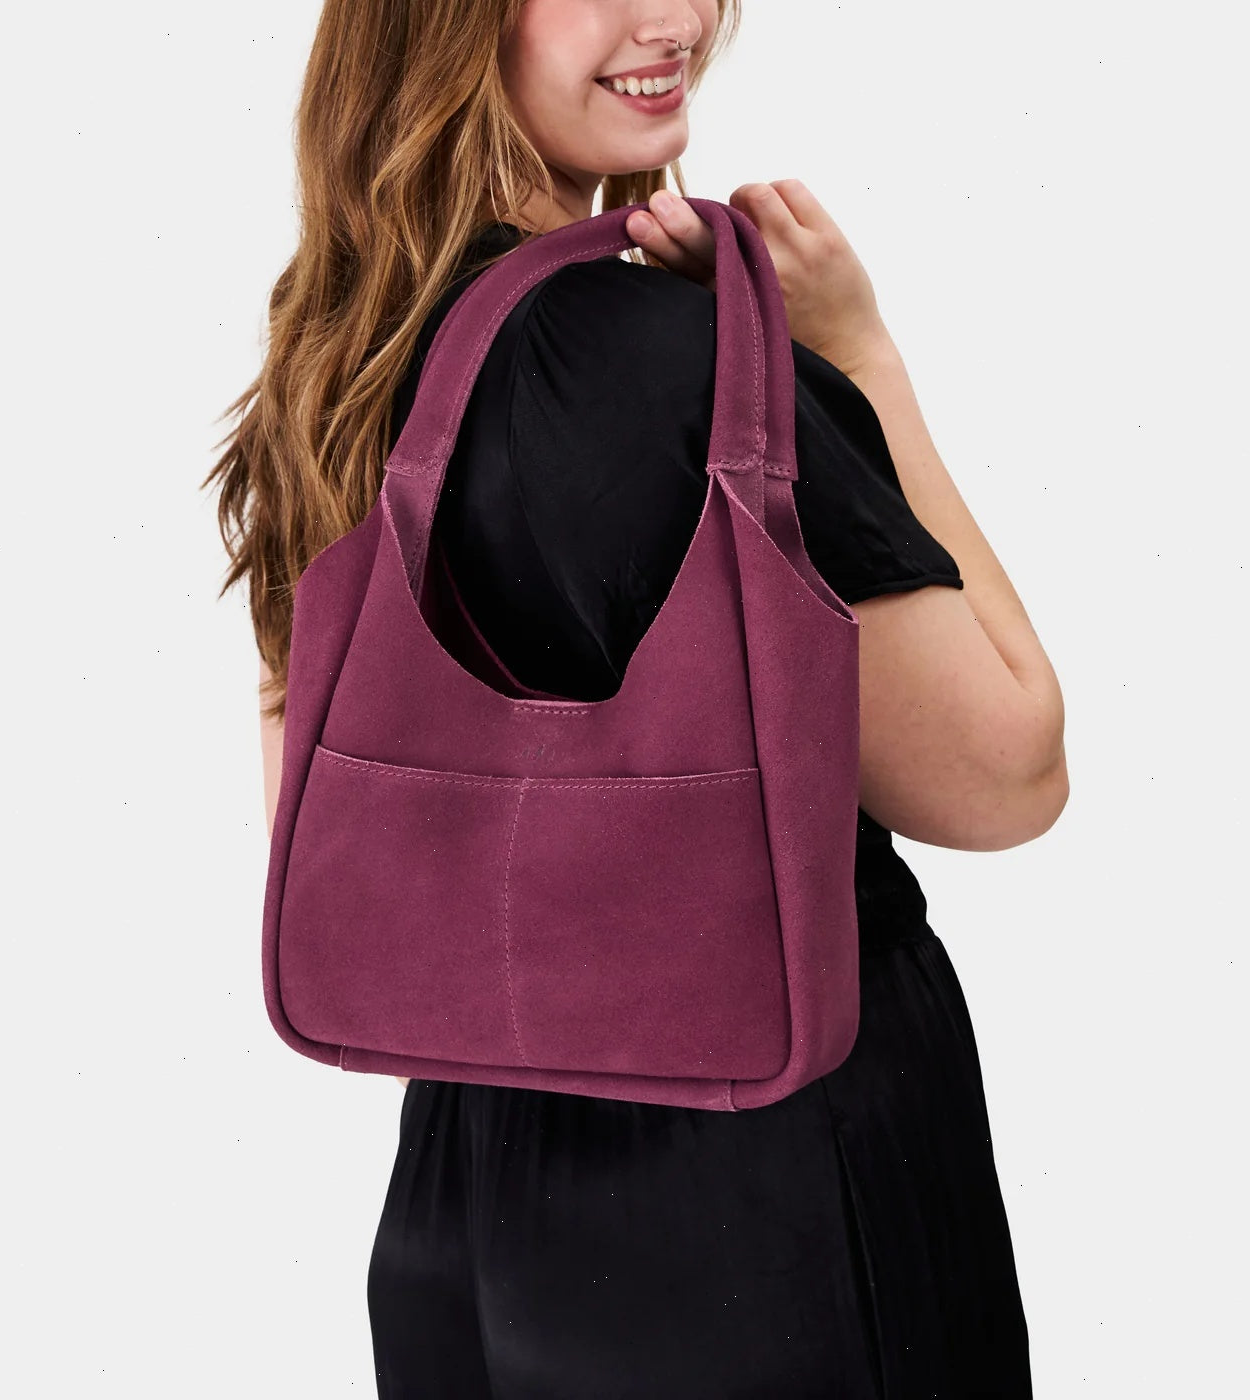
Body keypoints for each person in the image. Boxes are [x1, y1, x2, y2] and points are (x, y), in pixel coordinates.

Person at [208, 2, 1068, 1395]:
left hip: (467, 1195)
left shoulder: (341, 359)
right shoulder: (690, 374)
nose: (673, 17)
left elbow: (315, 836)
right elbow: (1008, 774)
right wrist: (855, 361)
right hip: (767, 1189)